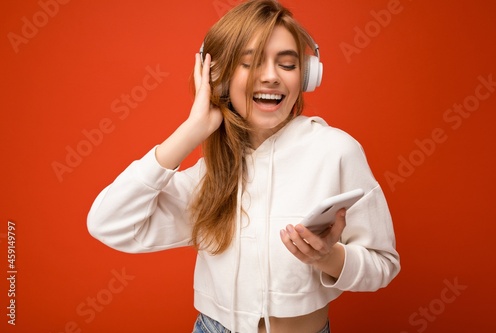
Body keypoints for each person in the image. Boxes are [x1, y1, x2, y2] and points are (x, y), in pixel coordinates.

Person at [87, 1, 401, 332]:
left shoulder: (337, 151)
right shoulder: (210, 177)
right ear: (219, 79)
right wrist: (191, 131)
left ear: (307, 76)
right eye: (248, 63)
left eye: (288, 65)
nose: (270, 77)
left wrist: (328, 257)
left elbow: (383, 264)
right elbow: (107, 222)